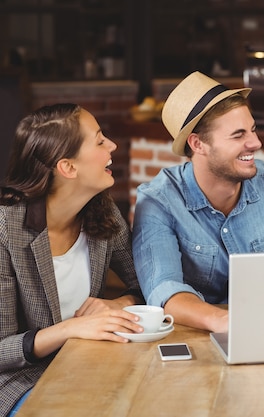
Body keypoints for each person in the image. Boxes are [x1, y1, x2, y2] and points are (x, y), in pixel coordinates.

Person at [132, 71, 264, 334]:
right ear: (198, 144)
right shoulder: (159, 201)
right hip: (192, 335)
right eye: (238, 135)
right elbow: (165, 292)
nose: (255, 143)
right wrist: (227, 322)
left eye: (253, 129)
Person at [0, 103, 145, 417]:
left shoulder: (103, 213)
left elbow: (146, 285)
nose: (113, 146)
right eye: (99, 140)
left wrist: (118, 304)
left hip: (89, 366)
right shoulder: (5, 231)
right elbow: (1, 350)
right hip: (20, 381)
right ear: (67, 167)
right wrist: (72, 328)